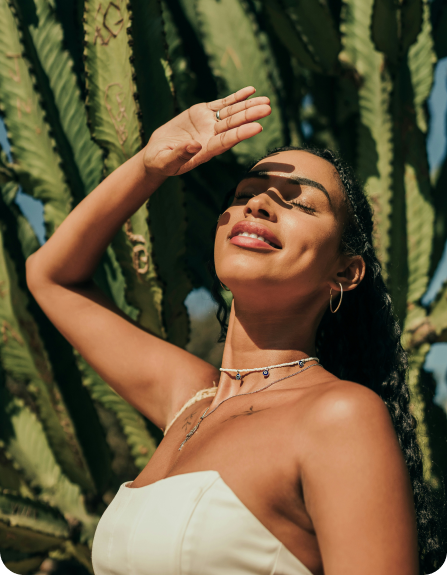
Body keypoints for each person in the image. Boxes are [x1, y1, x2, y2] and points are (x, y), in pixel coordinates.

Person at [26, 87, 441, 574]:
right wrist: (149, 165)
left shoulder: (339, 416)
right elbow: (49, 277)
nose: (259, 205)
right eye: (245, 195)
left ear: (345, 273)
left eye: (301, 205)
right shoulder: (188, 402)